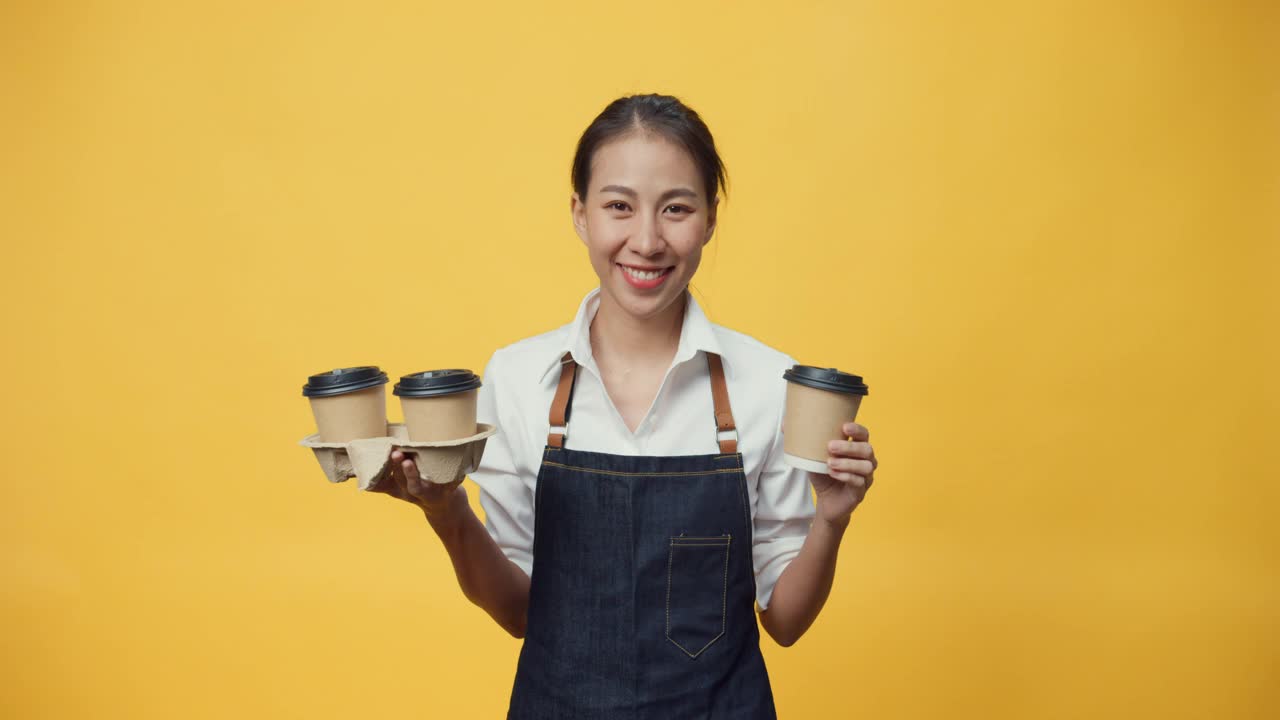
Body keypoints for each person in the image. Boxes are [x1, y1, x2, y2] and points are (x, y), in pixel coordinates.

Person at [375, 93, 879, 718]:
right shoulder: (517, 377)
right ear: (580, 214)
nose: (646, 240)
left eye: (676, 209)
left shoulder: (770, 384)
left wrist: (832, 519)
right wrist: (446, 511)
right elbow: (516, 613)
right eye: (619, 206)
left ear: (710, 220)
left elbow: (785, 621)